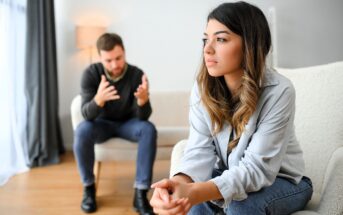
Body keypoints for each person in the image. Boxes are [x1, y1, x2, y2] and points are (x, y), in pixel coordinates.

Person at [150, 2, 313, 215]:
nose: (207, 49)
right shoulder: (202, 88)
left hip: (286, 183)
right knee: (192, 205)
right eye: (205, 39)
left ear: (250, 44)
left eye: (221, 39)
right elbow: (199, 150)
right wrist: (178, 185)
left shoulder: (279, 91)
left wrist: (196, 192)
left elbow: (257, 170)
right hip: (230, 174)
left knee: (239, 205)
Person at [73, 33, 156, 215]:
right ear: (100, 58)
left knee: (148, 129)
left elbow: (143, 118)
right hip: (101, 125)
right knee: (82, 130)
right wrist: (98, 100)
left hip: (128, 124)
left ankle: (141, 193)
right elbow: (86, 114)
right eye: (108, 60)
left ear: (124, 53)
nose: (114, 65)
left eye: (118, 58)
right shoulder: (91, 74)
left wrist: (143, 101)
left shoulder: (137, 74)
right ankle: (88, 189)